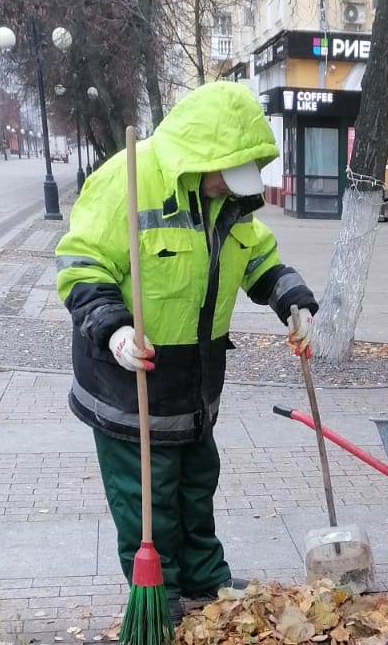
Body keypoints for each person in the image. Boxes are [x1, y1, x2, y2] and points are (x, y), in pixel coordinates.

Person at [56, 83, 317, 617]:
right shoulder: (125, 180)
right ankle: (160, 594)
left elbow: (257, 257)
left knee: (197, 483)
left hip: (196, 382)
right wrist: (113, 330)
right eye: (226, 176)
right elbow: (81, 265)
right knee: (146, 498)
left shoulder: (229, 201)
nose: (228, 190)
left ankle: (203, 578)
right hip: (131, 380)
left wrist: (294, 301)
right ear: (204, 157)